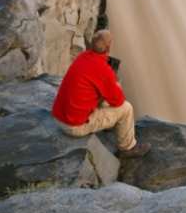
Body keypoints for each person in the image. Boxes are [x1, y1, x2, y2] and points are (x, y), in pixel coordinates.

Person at [51, 29, 150, 158]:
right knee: (127, 109)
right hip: (74, 127)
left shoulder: (82, 57)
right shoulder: (103, 70)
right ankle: (127, 148)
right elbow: (118, 101)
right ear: (108, 47)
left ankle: (108, 123)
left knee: (102, 91)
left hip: (59, 118)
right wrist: (113, 81)